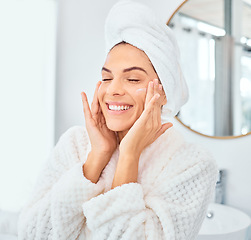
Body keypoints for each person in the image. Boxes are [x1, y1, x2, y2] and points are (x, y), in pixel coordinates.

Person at [18, 1, 218, 239]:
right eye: (106, 78)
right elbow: (32, 234)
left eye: (133, 79)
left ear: (163, 92)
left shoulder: (192, 165)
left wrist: (129, 155)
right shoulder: (75, 143)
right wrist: (96, 158)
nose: (113, 90)